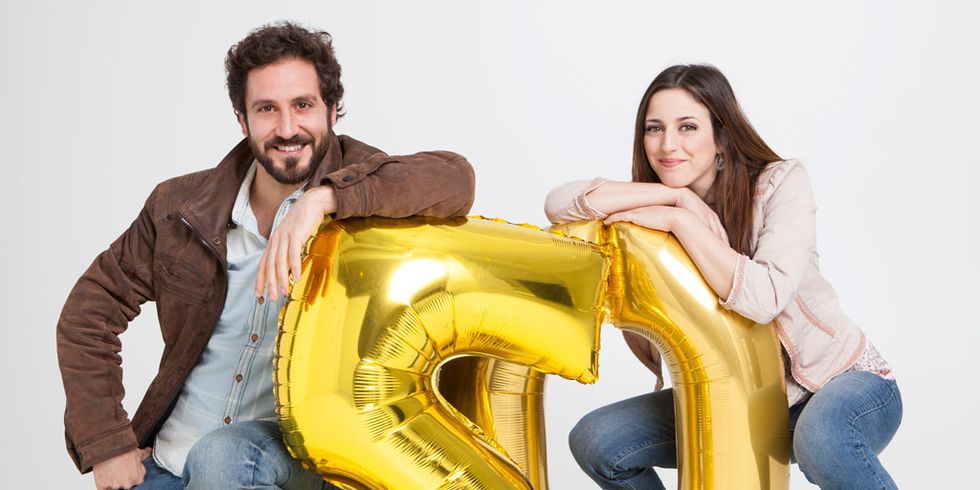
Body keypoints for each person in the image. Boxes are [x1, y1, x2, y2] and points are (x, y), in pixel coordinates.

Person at [57, 22, 475, 490]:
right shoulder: (179, 207)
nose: (287, 128)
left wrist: (321, 201)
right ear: (242, 119)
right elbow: (88, 314)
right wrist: (109, 444)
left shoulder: (366, 196)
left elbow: (454, 178)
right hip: (169, 464)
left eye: (303, 105)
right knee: (211, 462)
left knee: (224, 460)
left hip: (292, 463)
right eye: (267, 109)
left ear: (332, 110)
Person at [545, 64, 902, 489]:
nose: (667, 144)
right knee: (598, 441)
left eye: (687, 127)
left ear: (721, 136)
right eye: (654, 128)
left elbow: (765, 297)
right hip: (734, 400)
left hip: (836, 383)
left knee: (821, 439)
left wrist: (686, 225)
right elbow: (560, 203)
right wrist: (674, 197)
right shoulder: (656, 202)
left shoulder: (780, 183)